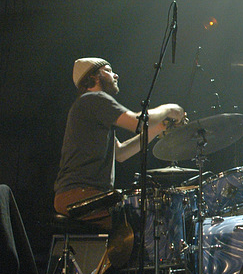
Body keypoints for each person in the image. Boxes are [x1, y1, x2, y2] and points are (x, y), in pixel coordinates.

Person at [53, 57, 186, 230]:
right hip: (80, 195)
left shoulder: (89, 107)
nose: (115, 75)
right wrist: (169, 109)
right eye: (108, 70)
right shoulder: (94, 99)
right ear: (93, 77)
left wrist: (159, 127)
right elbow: (136, 122)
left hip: (81, 195)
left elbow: (121, 153)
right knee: (138, 226)